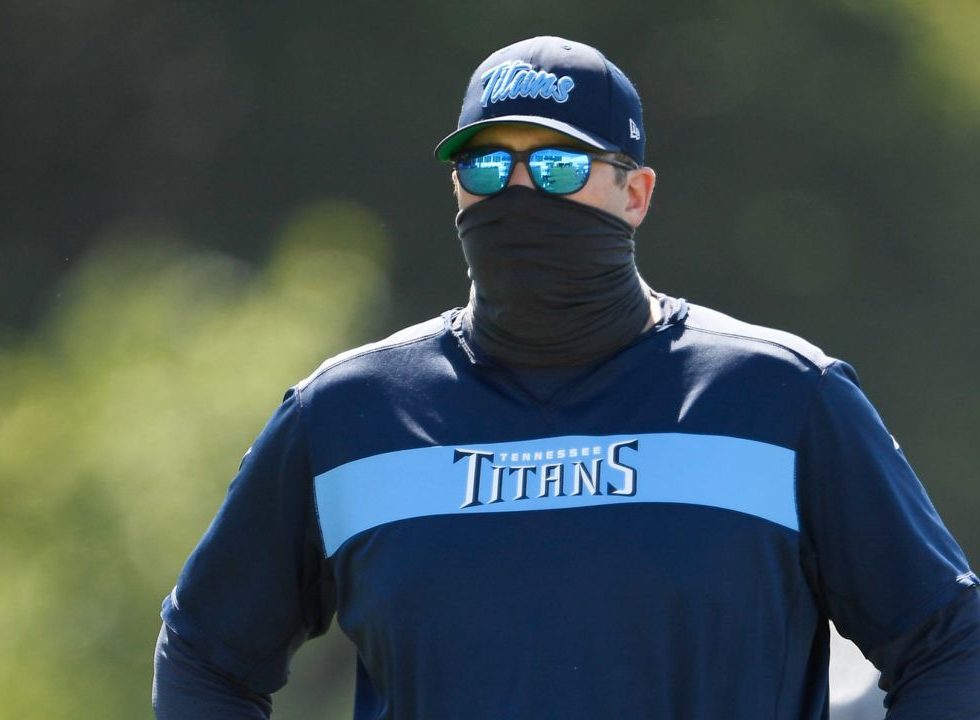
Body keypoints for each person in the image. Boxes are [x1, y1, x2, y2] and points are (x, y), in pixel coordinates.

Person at [152, 36, 980, 719]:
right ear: (453, 187)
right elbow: (206, 655)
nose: (516, 191)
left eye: (555, 167)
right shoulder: (346, 417)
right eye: (484, 167)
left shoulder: (782, 398)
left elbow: (949, 642)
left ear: (636, 194)